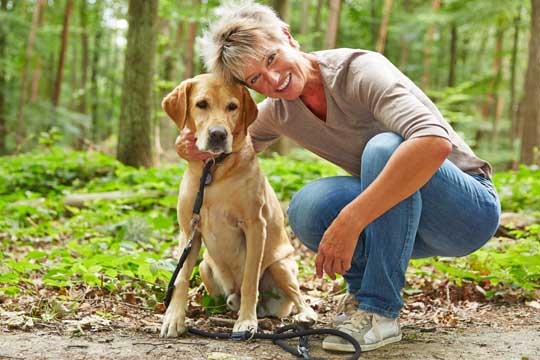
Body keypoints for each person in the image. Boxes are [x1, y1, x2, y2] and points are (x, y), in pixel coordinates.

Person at [174, 1, 501, 352]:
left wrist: (352, 219)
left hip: (467, 212)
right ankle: (361, 299)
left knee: (384, 148)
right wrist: (191, 147)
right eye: (255, 79)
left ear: (287, 37)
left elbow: (434, 143)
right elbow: (232, 144)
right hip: (406, 216)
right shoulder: (279, 110)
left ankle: (380, 310)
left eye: (271, 59)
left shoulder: (360, 71)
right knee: (308, 206)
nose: (272, 79)